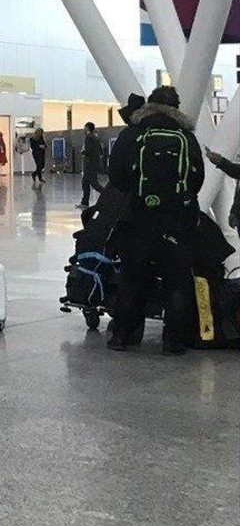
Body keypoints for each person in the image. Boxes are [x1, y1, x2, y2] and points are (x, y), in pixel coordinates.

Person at [107, 85, 203, 355]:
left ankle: (122, 336)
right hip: (177, 221)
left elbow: (116, 177)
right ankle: (172, 341)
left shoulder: (132, 133)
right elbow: (196, 180)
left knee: (132, 278)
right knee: (177, 280)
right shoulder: (185, 136)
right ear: (176, 107)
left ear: (149, 104)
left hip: (137, 218)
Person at [79, 122, 106, 209]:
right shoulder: (95, 136)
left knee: (94, 183)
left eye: (84, 127)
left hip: (90, 163)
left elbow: (89, 150)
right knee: (85, 182)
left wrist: (83, 152)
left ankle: (108, 195)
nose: (83, 128)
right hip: (94, 163)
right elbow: (100, 150)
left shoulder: (88, 137)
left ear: (87, 128)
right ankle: (84, 202)